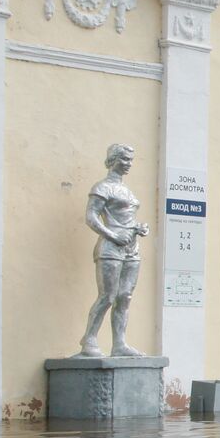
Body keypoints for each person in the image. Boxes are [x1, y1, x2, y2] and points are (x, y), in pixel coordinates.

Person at [78, 143, 150, 357]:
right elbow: (91, 217)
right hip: (110, 247)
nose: (128, 164)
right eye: (124, 159)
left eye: (131, 160)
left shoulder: (127, 191)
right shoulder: (102, 187)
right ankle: (89, 339)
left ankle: (119, 343)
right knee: (107, 296)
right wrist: (113, 234)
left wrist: (139, 227)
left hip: (131, 246)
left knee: (125, 296)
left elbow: (128, 218)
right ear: (112, 160)